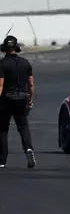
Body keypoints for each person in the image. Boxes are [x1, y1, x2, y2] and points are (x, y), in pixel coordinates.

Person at [0, 35, 36, 168]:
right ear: (16, 48)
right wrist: (30, 100)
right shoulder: (25, 63)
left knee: (2, 129)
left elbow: (0, 86)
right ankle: (28, 148)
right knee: (23, 126)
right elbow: (31, 84)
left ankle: (2, 160)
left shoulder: (2, 64)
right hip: (22, 98)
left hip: (6, 99)